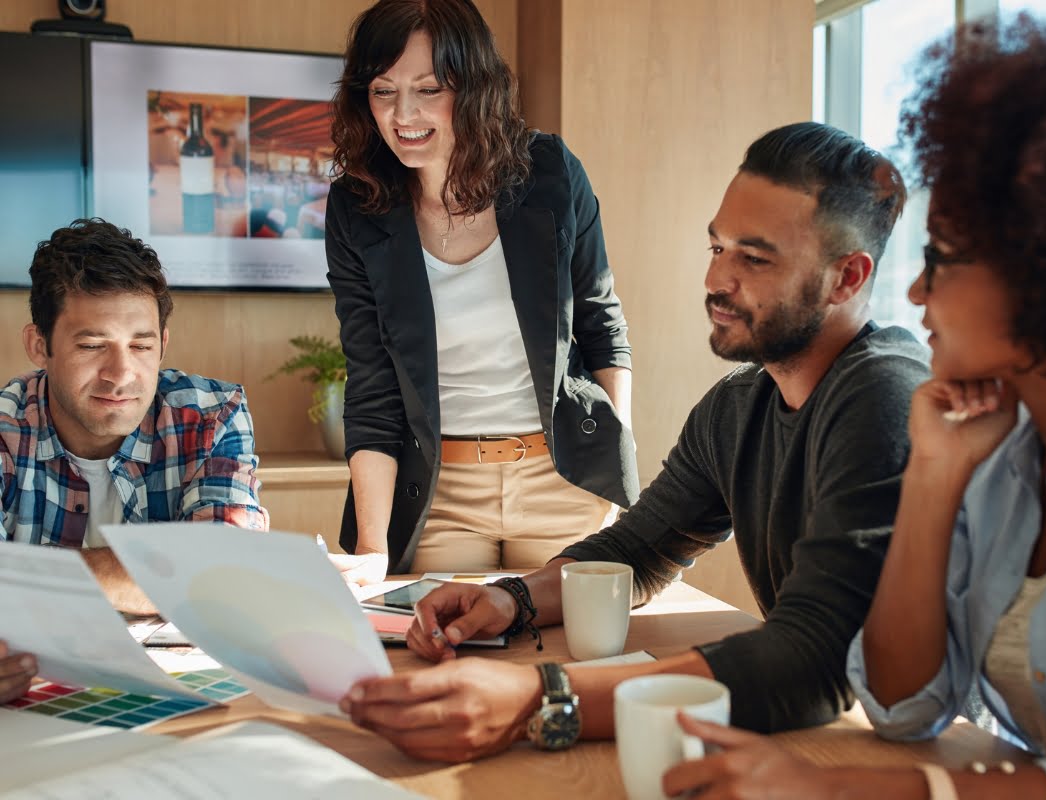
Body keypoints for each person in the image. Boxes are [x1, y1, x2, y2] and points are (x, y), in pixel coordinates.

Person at [657, 17, 1046, 800]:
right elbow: (905, 705)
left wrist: (839, 793)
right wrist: (934, 480)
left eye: (941, 260)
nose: (914, 292)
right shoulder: (999, 446)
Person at [339, 121, 930, 761]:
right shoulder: (738, 407)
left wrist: (540, 697)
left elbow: (815, 655)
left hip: (910, 756)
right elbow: (638, 548)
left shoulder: (884, 395)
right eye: (716, 248)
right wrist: (507, 600)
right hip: (820, 735)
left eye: (754, 258)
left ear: (848, 278)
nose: (717, 281)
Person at [325, 0, 638, 584]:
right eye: (383, 91)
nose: (404, 114)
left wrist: (612, 477)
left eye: (429, 88)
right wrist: (372, 549)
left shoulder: (549, 172)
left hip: (563, 479)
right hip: (441, 493)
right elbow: (370, 383)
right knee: (442, 652)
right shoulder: (357, 206)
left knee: (574, 657)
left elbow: (602, 328)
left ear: (473, 87)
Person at [0, 218, 268, 704]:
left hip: (182, 698)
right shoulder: (6, 429)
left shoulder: (211, 416)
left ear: (162, 345)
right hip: (32, 701)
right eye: (92, 346)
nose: (121, 375)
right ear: (40, 346)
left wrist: (24, 579)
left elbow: (225, 579)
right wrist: (155, 575)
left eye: (141, 347)